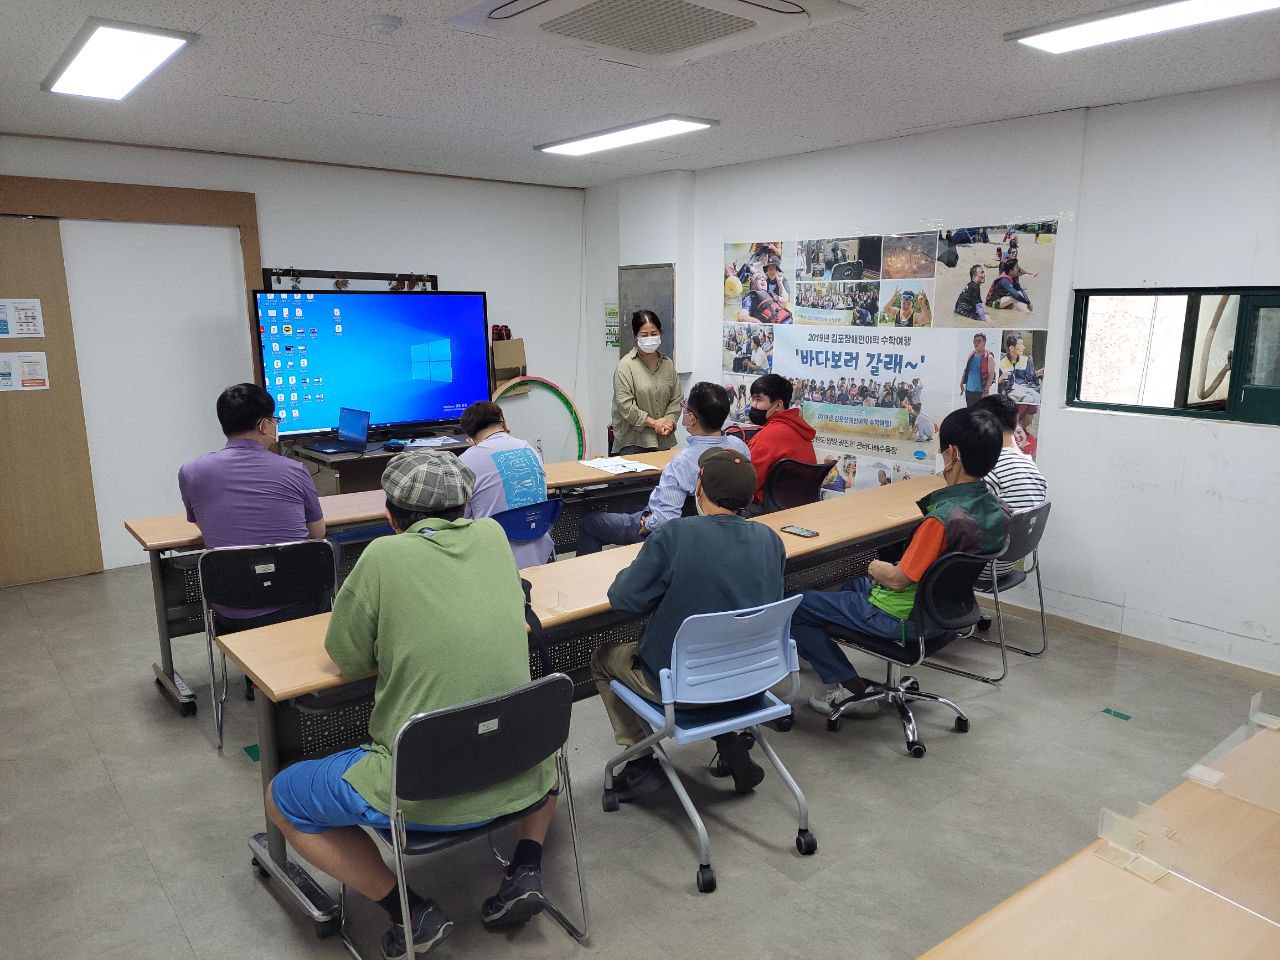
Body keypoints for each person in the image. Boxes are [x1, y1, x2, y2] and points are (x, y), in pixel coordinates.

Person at [265, 451, 560, 957]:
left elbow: (348, 655)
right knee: (536, 737)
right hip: (524, 769)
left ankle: (410, 909)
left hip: (420, 788)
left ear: (390, 514)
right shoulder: (493, 536)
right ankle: (526, 866)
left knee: (281, 796)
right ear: (465, 506)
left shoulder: (383, 556)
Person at [591, 448, 786, 798]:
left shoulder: (675, 535)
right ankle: (729, 743)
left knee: (604, 657)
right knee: (715, 644)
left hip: (684, 687)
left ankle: (641, 761)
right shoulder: (771, 540)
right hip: (750, 679)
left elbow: (623, 600)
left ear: (698, 487)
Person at [791, 406, 1007, 716]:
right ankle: (834, 654)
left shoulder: (940, 521)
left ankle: (848, 689)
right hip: (944, 613)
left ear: (952, 454)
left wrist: (871, 564)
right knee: (849, 583)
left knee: (797, 604)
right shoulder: (993, 507)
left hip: (901, 617)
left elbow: (896, 579)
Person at [178, 383, 326, 625]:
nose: (275, 425)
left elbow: (202, 523)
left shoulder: (190, 471)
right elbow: (317, 533)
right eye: (274, 419)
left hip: (231, 605)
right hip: (296, 602)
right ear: (263, 425)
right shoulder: (294, 469)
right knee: (333, 549)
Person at [575, 382, 750, 555]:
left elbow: (664, 520)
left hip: (669, 534)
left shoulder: (681, 463)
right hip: (718, 529)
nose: (683, 411)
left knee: (590, 522)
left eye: (685, 407)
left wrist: (648, 524)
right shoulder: (740, 448)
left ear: (692, 419)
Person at [458, 400, 553, 568]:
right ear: (502, 421)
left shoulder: (466, 460)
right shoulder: (528, 449)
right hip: (541, 553)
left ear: (470, 436)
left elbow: (461, 517)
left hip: (496, 559)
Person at [975, 394, 1048, 568]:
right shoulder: (1031, 465)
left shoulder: (992, 470)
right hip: (1011, 563)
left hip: (985, 566)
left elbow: (967, 523)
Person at [611, 309, 683, 455]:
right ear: (635, 336)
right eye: (644, 335)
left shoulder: (667, 364)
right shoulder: (626, 366)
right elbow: (625, 406)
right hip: (633, 443)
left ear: (660, 333)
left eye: (654, 334)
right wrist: (654, 423)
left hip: (663, 439)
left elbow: (676, 399)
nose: (650, 339)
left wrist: (668, 421)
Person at [744, 373, 817, 509]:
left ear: (778, 405)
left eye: (758, 400)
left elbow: (746, 484)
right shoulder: (799, 429)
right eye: (752, 399)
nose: (752, 404)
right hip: (796, 508)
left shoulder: (767, 437)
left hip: (766, 511)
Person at [998, 333, 1043, 404]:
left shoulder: (1026, 360)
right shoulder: (1001, 363)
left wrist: (1037, 373)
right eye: (1020, 344)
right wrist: (999, 380)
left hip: (1025, 388)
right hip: (1011, 391)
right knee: (1027, 399)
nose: (1024, 347)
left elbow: (1030, 379)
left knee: (1037, 396)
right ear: (1011, 348)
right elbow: (998, 385)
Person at [960, 332, 997, 406]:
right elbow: (966, 370)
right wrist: (961, 384)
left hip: (980, 392)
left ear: (984, 343)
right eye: (974, 341)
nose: (976, 343)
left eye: (979, 341)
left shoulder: (989, 357)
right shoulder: (971, 354)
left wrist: (986, 391)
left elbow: (991, 375)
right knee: (970, 412)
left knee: (979, 414)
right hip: (968, 390)